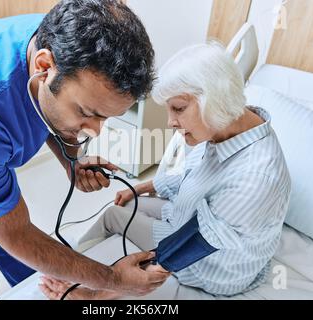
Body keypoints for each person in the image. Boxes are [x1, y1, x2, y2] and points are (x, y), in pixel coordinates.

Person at [0, 0, 169, 300]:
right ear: (43, 67)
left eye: (105, 117)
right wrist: (113, 279)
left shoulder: (54, 37)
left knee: (25, 260)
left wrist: (72, 160)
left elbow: (44, 109)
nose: (95, 131)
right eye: (87, 112)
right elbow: (17, 234)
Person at [40, 42, 291, 299]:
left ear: (216, 97)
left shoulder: (255, 178)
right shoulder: (232, 126)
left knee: (113, 216)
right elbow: (197, 176)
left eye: (179, 108)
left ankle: (68, 272)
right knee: (126, 205)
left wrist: (95, 295)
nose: (170, 122)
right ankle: (74, 263)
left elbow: (184, 250)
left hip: (212, 266)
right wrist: (144, 187)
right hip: (189, 214)